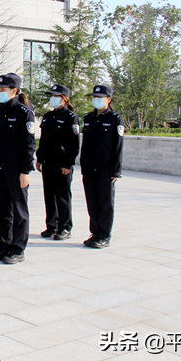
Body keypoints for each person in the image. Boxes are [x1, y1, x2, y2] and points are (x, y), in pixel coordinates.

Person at [0, 73, 36, 265]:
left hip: (16, 171)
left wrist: (26, 170)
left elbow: (29, 145)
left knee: (19, 211)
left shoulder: (25, 113)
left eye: (3, 90)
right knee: (3, 210)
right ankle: (4, 245)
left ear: (14, 91)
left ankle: (18, 248)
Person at [80, 85, 124, 249]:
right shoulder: (89, 118)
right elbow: (85, 145)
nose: (96, 100)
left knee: (105, 203)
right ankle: (95, 233)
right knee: (92, 202)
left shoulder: (114, 119)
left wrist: (116, 170)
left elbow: (118, 146)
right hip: (90, 168)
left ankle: (104, 235)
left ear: (109, 99)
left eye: (100, 97)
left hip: (106, 169)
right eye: (95, 97)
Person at [35, 84, 80, 241]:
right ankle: (51, 225)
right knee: (49, 196)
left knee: (62, 197)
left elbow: (74, 144)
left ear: (65, 99)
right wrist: (39, 158)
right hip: (48, 162)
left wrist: (68, 164)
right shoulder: (48, 116)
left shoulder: (71, 118)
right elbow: (44, 140)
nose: (53, 99)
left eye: (56, 96)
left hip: (62, 165)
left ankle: (65, 227)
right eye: (51, 96)